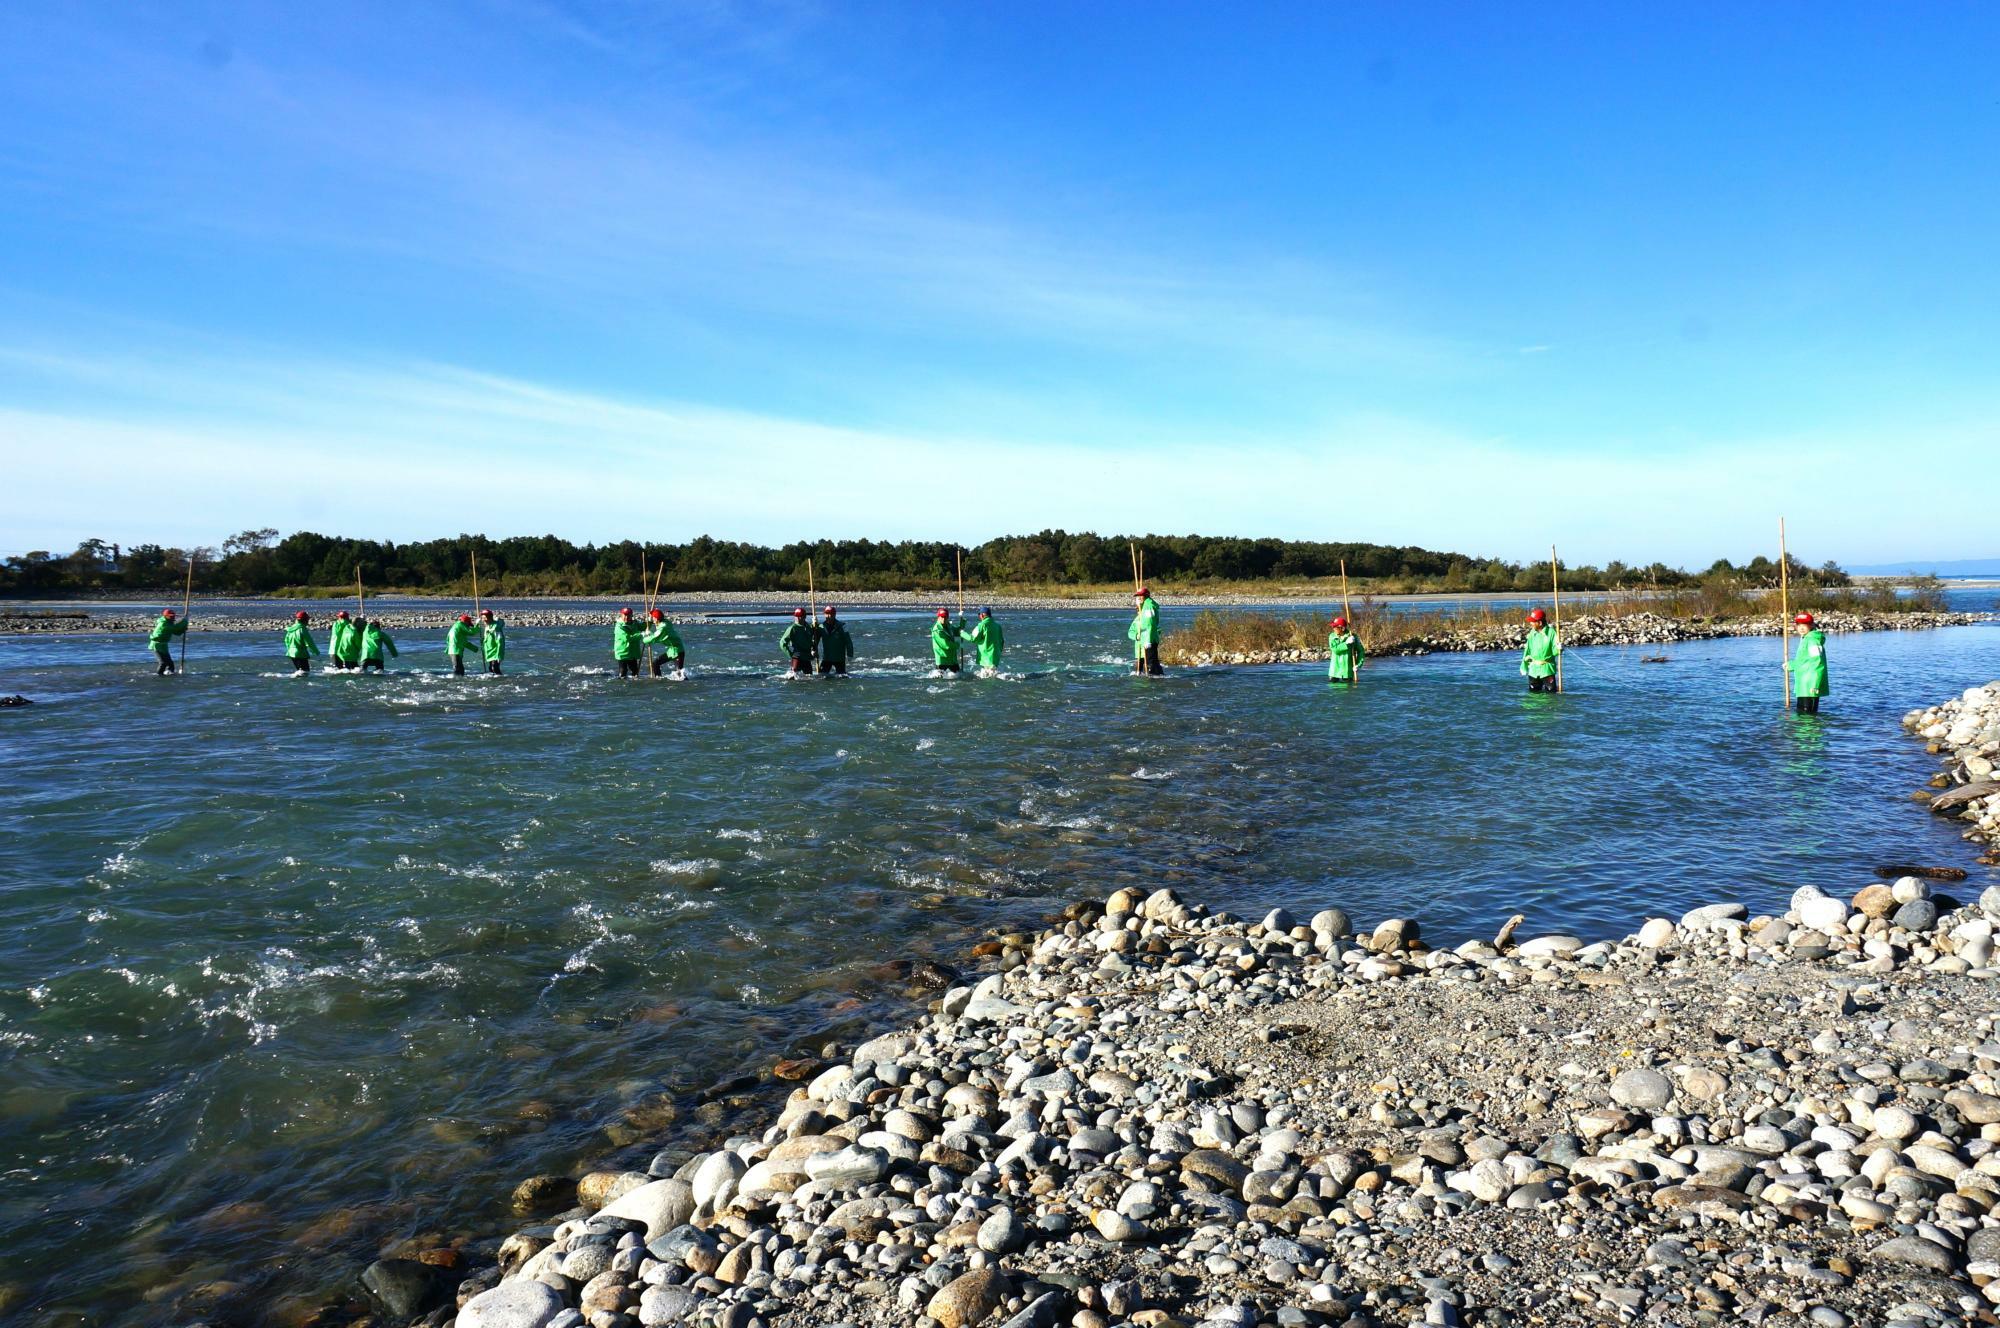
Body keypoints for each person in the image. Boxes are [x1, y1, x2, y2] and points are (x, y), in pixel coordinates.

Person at [1786, 611, 1829, 715]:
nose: (1801, 628)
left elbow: (1816, 660)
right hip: (1803, 683)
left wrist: (1815, 683)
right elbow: (1804, 659)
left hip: (1810, 683)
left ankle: (1809, 731)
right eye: (1799, 625)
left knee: (1808, 714)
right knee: (1801, 713)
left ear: (1811, 625)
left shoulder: (1812, 640)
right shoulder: (1806, 639)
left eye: (1805, 625)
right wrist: (1791, 664)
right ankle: (1802, 731)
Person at [1521, 608, 1562, 692]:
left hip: (1547, 670)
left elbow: (1555, 652)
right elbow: (1527, 650)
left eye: (1533, 621)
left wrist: (1559, 649)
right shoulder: (1532, 633)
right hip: (1533, 669)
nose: (1531, 623)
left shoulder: (1551, 633)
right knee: (1533, 694)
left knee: (1551, 694)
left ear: (1539, 623)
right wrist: (1524, 666)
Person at [1129, 587, 1162, 676]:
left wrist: (1148, 640)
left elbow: (1150, 624)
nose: (1139, 598)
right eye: (1137, 596)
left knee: (1151, 664)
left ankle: (1153, 681)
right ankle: (1159, 676)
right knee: (1153, 662)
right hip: (1146, 640)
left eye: (1141, 596)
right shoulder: (1144, 608)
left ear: (1146, 596)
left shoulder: (1148, 607)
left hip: (1148, 640)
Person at [643, 609, 686, 676]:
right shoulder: (665, 622)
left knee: (680, 674)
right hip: (672, 650)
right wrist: (650, 619)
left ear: (657, 619)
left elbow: (654, 638)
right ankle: (658, 679)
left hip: (677, 651)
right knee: (655, 663)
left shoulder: (663, 628)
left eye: (653, 618)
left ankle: (685, 684)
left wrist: (645, 637)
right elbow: (657, 623)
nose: (653, 619)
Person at [963, 606, 1004, 675]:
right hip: (996, 656)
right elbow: (1002, 641)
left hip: (986, 657)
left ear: (982, 615)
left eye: (979, 615)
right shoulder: (997, 626)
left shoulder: (982, 625)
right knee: (993, 674)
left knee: (988, 675)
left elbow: (973, 638)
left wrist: (962, 633)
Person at [148, 607, 188, 675]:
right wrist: (185, 621)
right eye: (171, 616)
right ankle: (159, 676)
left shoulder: (168, 623)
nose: (173, 618)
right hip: (156, 645)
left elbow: (176, 632)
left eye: (173, 616)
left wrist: (184, 628)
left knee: (170, 664)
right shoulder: (164, 624)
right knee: (163, 663)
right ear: (166, 616)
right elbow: (175, 629)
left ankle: (170, 675)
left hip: (164, 645)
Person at [816, 605, 854, 675]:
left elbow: (848, 642)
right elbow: (815, 640)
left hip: (839, 658)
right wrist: (813, 625)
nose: (829, 616)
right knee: (821, 676)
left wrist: (850, 654)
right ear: (824, 614)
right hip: (827, 658)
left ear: (834, 615)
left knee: (842, 677)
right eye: (827, 613)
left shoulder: (842, 626)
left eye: (831, 614)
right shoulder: (820, 627)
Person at [1327, 615, 1364, 684]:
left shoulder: (1353, 637)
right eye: (1333, 626)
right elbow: (1335, 650)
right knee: (1333, 692)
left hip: (1347, 671)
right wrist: (1346, 643)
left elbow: (1361, 651)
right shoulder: (1332, 636)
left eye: (1335, 627)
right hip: (1334, 671)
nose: (1333, 628)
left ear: (1342, 628)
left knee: (1347, 692)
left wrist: (1358, 665)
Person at [780, 607, 816, 675]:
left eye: (800, 616)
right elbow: (782, 643)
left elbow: (813, 638)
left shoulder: (808, 627)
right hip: (797, 657)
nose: (798, 618)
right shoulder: (793, 628)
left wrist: (815, 625)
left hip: (807, 657)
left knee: (810, 678)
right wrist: (790, 654)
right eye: (796, 616)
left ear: (804, 617)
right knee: (793, 676)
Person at [613, 608, 645, 679]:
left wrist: (649, 621)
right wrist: (642, 635)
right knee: (623, 672)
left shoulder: (635, 623)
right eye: (625, 615)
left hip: (632, 653)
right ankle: (621, 687)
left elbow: (643, 627)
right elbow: (627, 638)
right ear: (621, 615)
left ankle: (635, 688)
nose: (626, 617)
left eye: (629, 615)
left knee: (635, 671)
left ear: (632, 615)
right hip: (622, 652)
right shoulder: (619, 626)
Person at [930, 608, 964, 673]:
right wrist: (958, 645)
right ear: (938, 617)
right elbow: (946, 645)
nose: (943, 619)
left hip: (952, 660)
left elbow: (957, 631)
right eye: (941, 617)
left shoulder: (948, 626)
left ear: (947, 617)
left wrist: (962, 620)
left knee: (959, 679)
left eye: (945, 617)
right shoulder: (937, 630)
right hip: (942, 661)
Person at [480, 608, 506, 675]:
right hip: (489, 652)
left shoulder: (496, 627)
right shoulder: (487, 626)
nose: (483, 620)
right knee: (491, 668)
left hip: (495, 652)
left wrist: (499, 655)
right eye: (482, 618)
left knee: (494, 668)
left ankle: (500, 680)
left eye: (485, 618)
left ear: (489, 618)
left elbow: (500, 641)